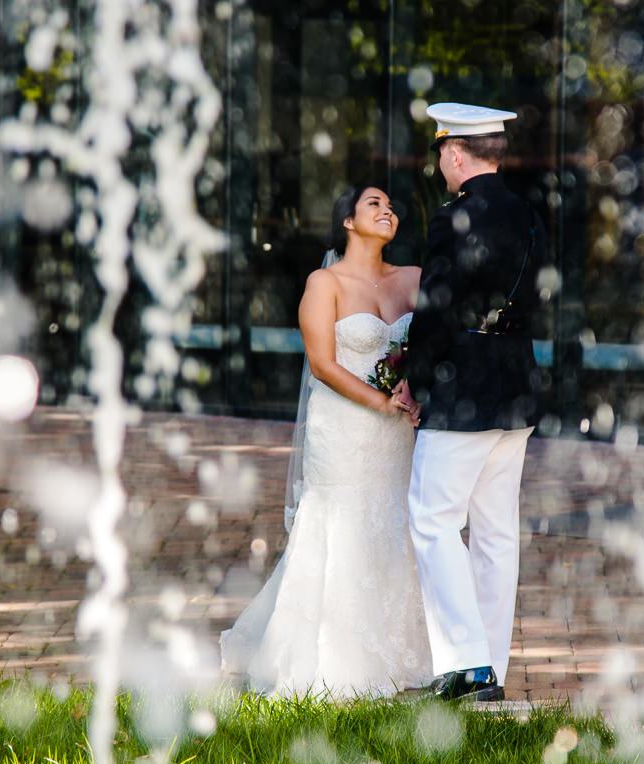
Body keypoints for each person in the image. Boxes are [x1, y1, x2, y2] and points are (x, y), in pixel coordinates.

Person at [220, 185, 433, 697]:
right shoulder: (325, 282)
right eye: (374, 205)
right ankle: (330, 653)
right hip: (344, 427)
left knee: (395, 521)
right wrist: (379, 401)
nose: (388, 210)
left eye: (391, 204)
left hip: (398, 430)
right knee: (342, 523)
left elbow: (432, 343)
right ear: (348, 222)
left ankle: (401, 649)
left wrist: (416, 387)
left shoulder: (413, 279)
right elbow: (322, 363)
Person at [401, 102, 547, 702]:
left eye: (441, 153)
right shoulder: (526, 213)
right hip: (515, 386)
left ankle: (467, 665)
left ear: (456, 153)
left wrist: (416, 375)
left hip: (464, 388)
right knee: (495, 534)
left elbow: (435, 305)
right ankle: (491, 667)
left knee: (433, 520)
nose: (440, 164)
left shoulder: (454, 216)